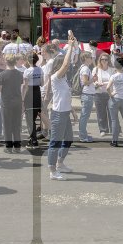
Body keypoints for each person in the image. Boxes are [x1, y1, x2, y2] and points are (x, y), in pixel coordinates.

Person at [46, 32, 77, 180]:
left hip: (65, 112)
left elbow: (65, 97)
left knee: (69, 139)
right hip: (58, 114)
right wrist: (70, 47)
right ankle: (52, 171)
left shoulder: (63, 79)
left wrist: (73, 111)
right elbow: (66, 64)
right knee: (55, 142)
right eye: (64, 66)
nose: (68, 68)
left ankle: (60, 163)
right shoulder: (56, 77)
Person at [0, 54, 23, 152]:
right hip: (17, 101)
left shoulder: (2, 75)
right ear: (15, 62)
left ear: (6, 62)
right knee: (16, 124)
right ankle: (17, 147)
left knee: (7, 125)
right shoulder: (20, 74)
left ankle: (9, 147)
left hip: (6, 102)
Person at [22, 54, 43, 149]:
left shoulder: (27, 71)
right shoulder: (40, 69)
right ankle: (32, 138)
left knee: (29, 119)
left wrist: (22, 99)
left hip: (30, 94)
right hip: (37, 92)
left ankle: (34, 140)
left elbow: (25, 86)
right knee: (33, 118)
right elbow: (42, 83)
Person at [93, 53, 113, 137]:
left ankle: (113, 129)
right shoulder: (96, 69)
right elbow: (93, 81)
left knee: (111, 113)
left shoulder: (112, 70)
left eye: (106, 59)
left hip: (110, 94)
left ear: (108, 61)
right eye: (102, 59)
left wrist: (104, 83)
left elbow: (114, 81)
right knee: (100, 113)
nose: (104, 61)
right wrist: (96, 83)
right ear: (100, 60)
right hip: (99, 93)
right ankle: (103, 129)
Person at [77, 51, 96, 142]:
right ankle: (83, 136)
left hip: (87, 94)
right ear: (86, 59)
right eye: (90, 57)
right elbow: (85, 82)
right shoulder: (85, 69)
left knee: (84, 116)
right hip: (87, 94)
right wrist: (93, 79)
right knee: (84, 116)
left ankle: (83, 135)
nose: (92, 59)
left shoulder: (84, 68)